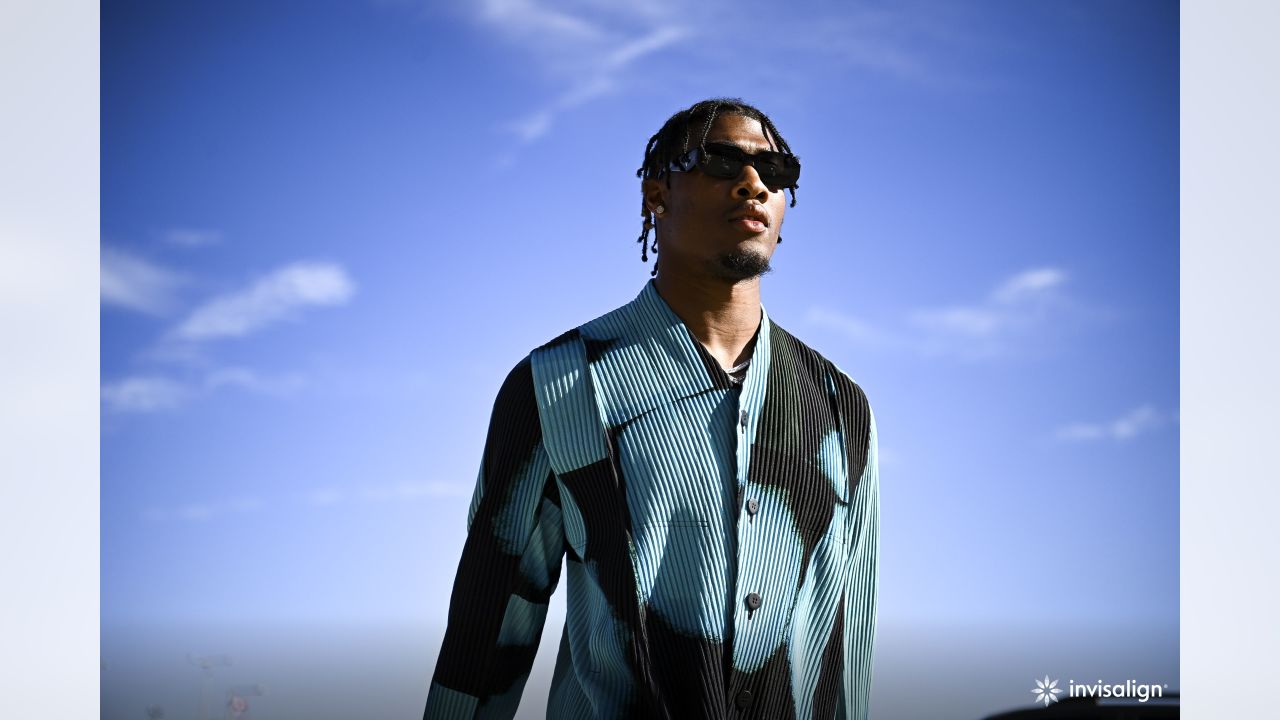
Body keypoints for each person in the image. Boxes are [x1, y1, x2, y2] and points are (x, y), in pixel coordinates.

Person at [423, 98, 879, 720]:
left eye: (776, 172)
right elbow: (487, 635)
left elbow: (847, 651)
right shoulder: (558, 384)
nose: (753, 185)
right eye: (722, 162)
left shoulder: (840, 404)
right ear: (656, 196)